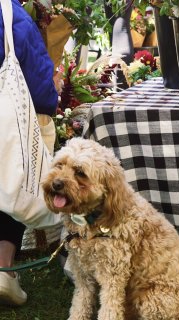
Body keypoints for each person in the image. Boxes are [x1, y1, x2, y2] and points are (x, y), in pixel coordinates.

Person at [0, 0, 58, 306]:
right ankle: (3, 267)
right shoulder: (10, 15)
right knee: (17, 171)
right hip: (4, 125)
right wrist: (51, 104)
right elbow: (39, 88)